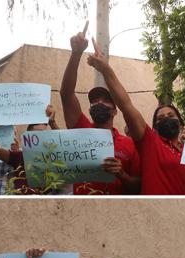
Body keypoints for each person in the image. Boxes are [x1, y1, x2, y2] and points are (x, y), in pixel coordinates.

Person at [85, 39, 185, 195]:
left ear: (180, 121)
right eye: (160, 118)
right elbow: (126, 105)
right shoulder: (151, 143)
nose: (166, 119)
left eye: (170, 115)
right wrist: (106, 69)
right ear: (154, 127)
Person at [60, 22, 141, 195]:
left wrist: (122, 175)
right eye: (95, 101)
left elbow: (138, 186)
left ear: (115, 111)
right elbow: (66, 94)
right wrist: (76, 54)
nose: (99, 103)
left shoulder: (129, 144)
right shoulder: (81, 129)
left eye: (105, 100)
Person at [0, 104, 62, 194]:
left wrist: (52, 122)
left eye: (44, 134)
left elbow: (66, 148)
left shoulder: (54, 160)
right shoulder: (21, 156)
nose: (40, 138)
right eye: (35, 135)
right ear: (27, 139)